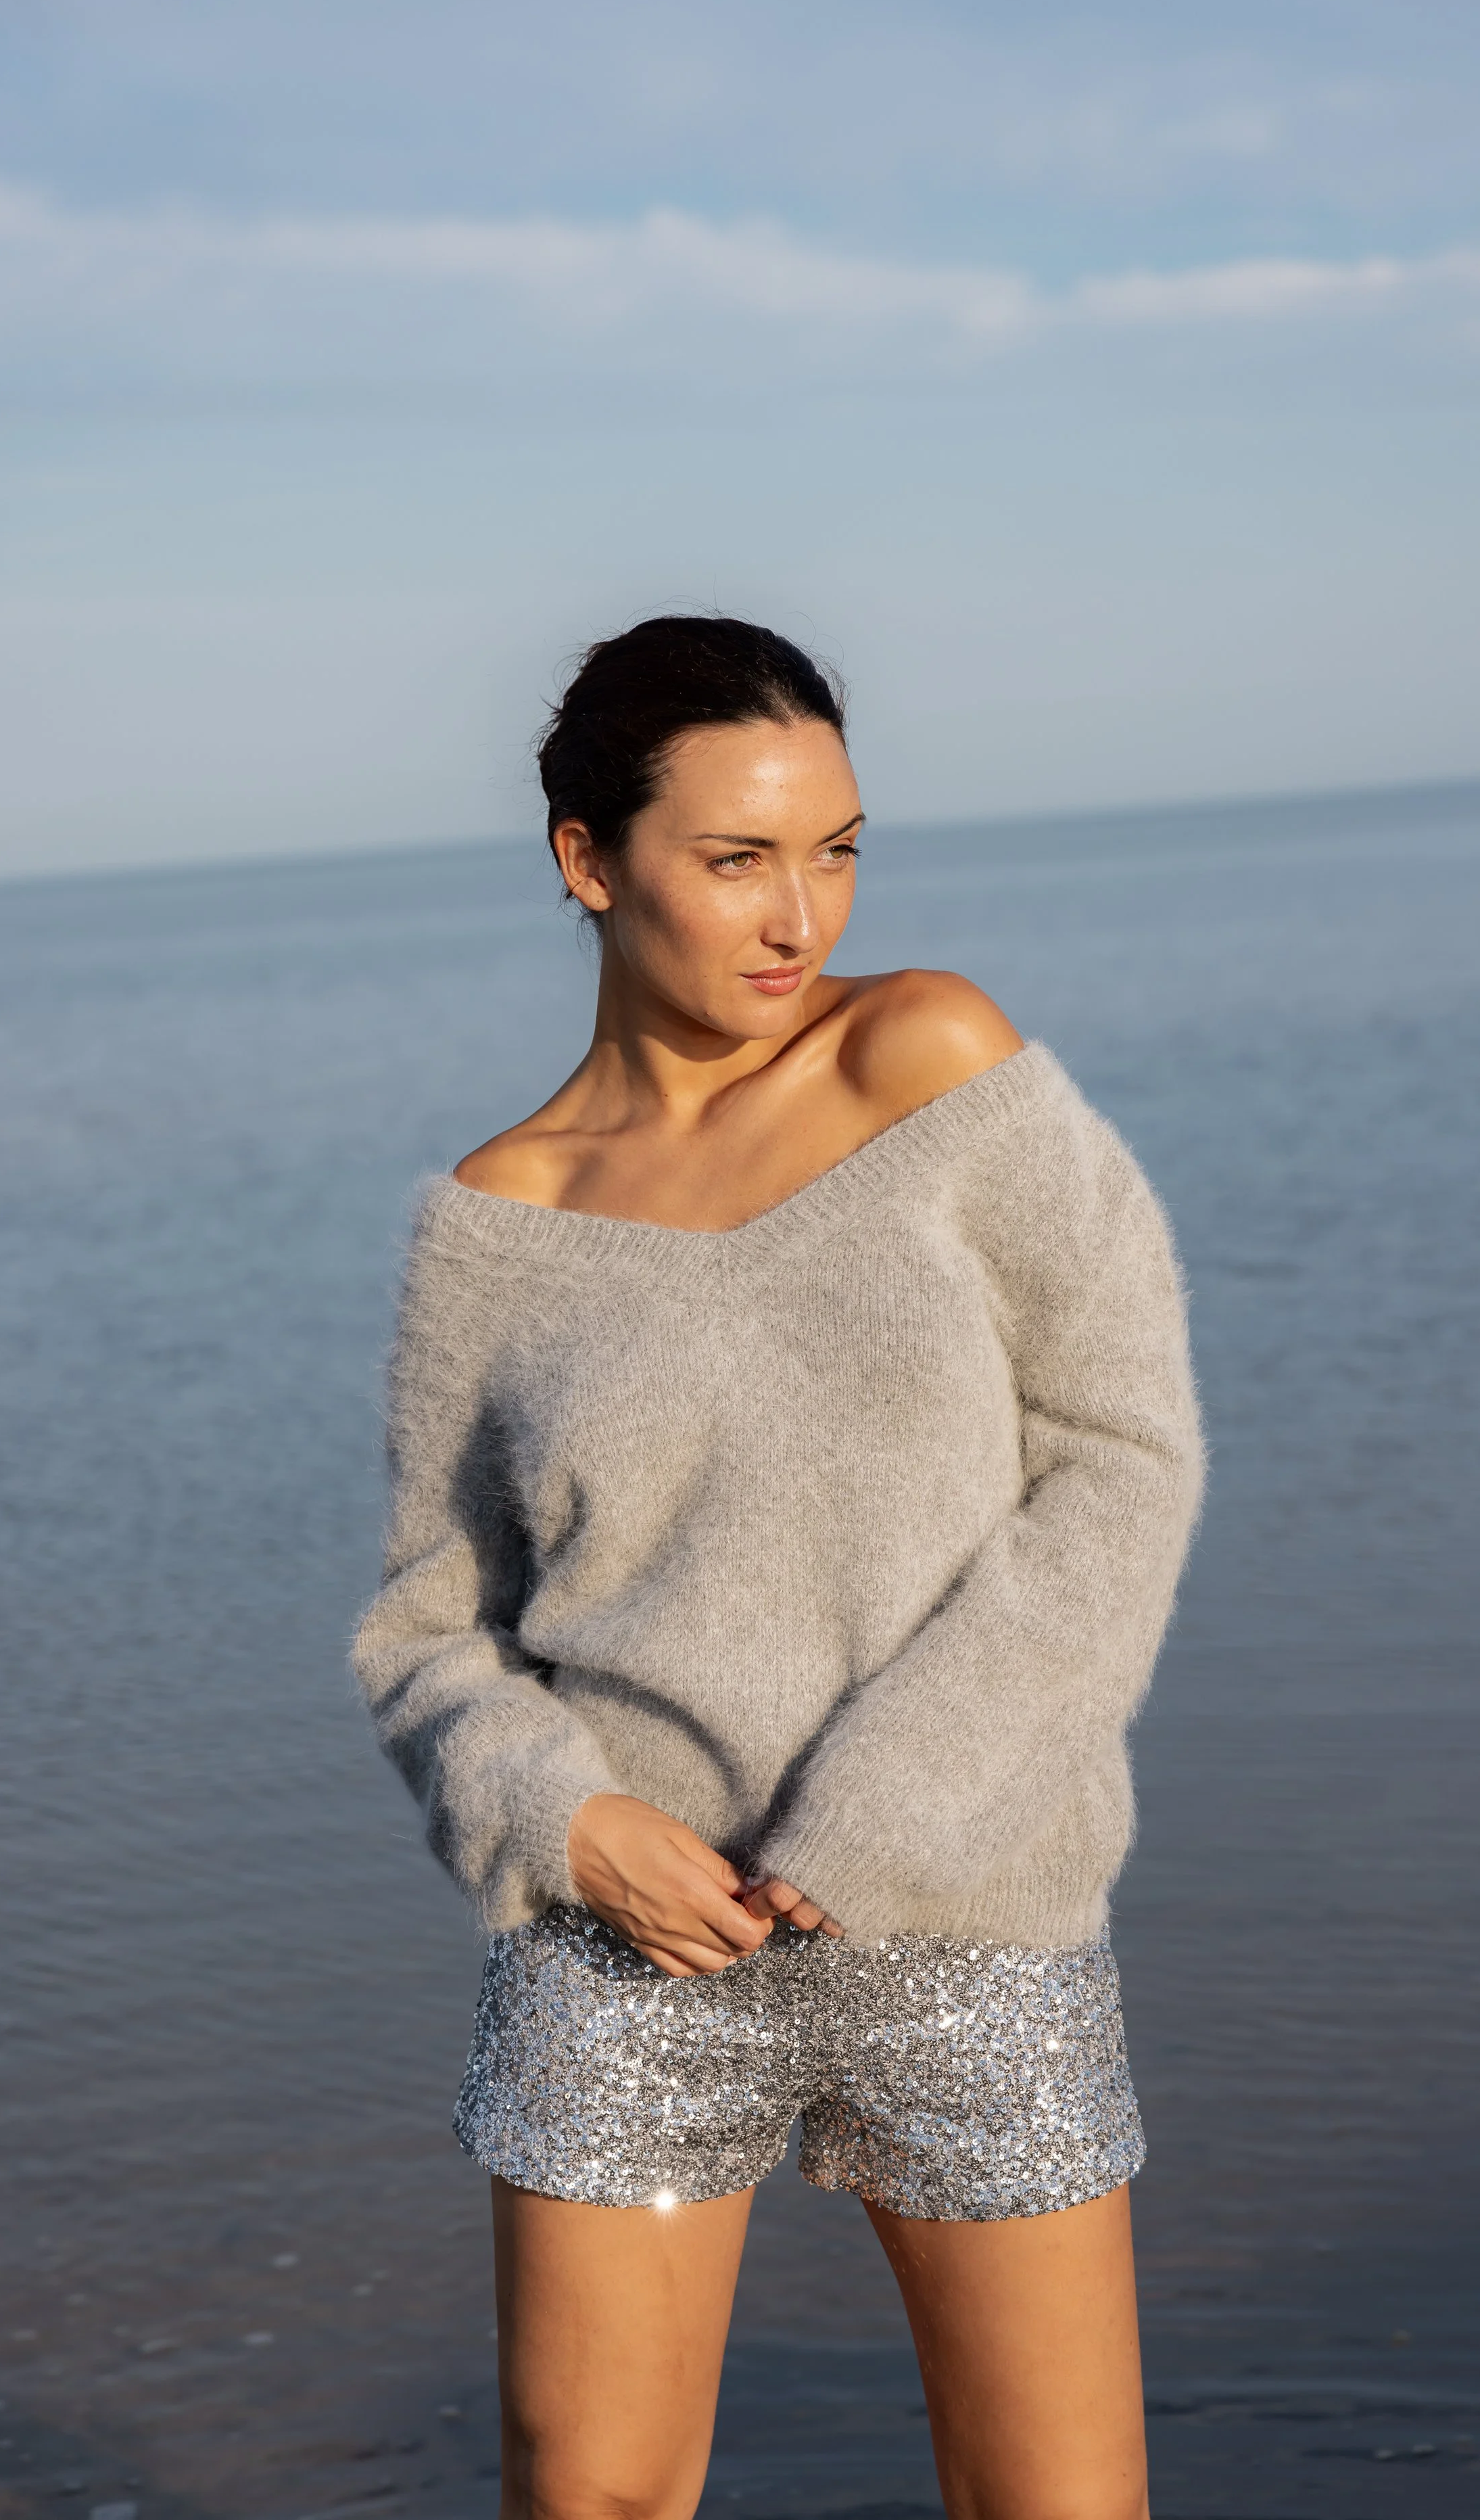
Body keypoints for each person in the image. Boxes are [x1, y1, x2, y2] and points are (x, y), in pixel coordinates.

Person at [352, 614, 1204, 2520]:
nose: (795, 914)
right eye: (734, 857)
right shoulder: (497, 1219)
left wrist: (879, 1808)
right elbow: (428, 1629)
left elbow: (1119, 1466)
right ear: (587, 860)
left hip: (969, 1924)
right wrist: (567, 1823)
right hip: (623, 1959)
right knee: (591, 2500)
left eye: (833, 849)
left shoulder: (930, 1057)